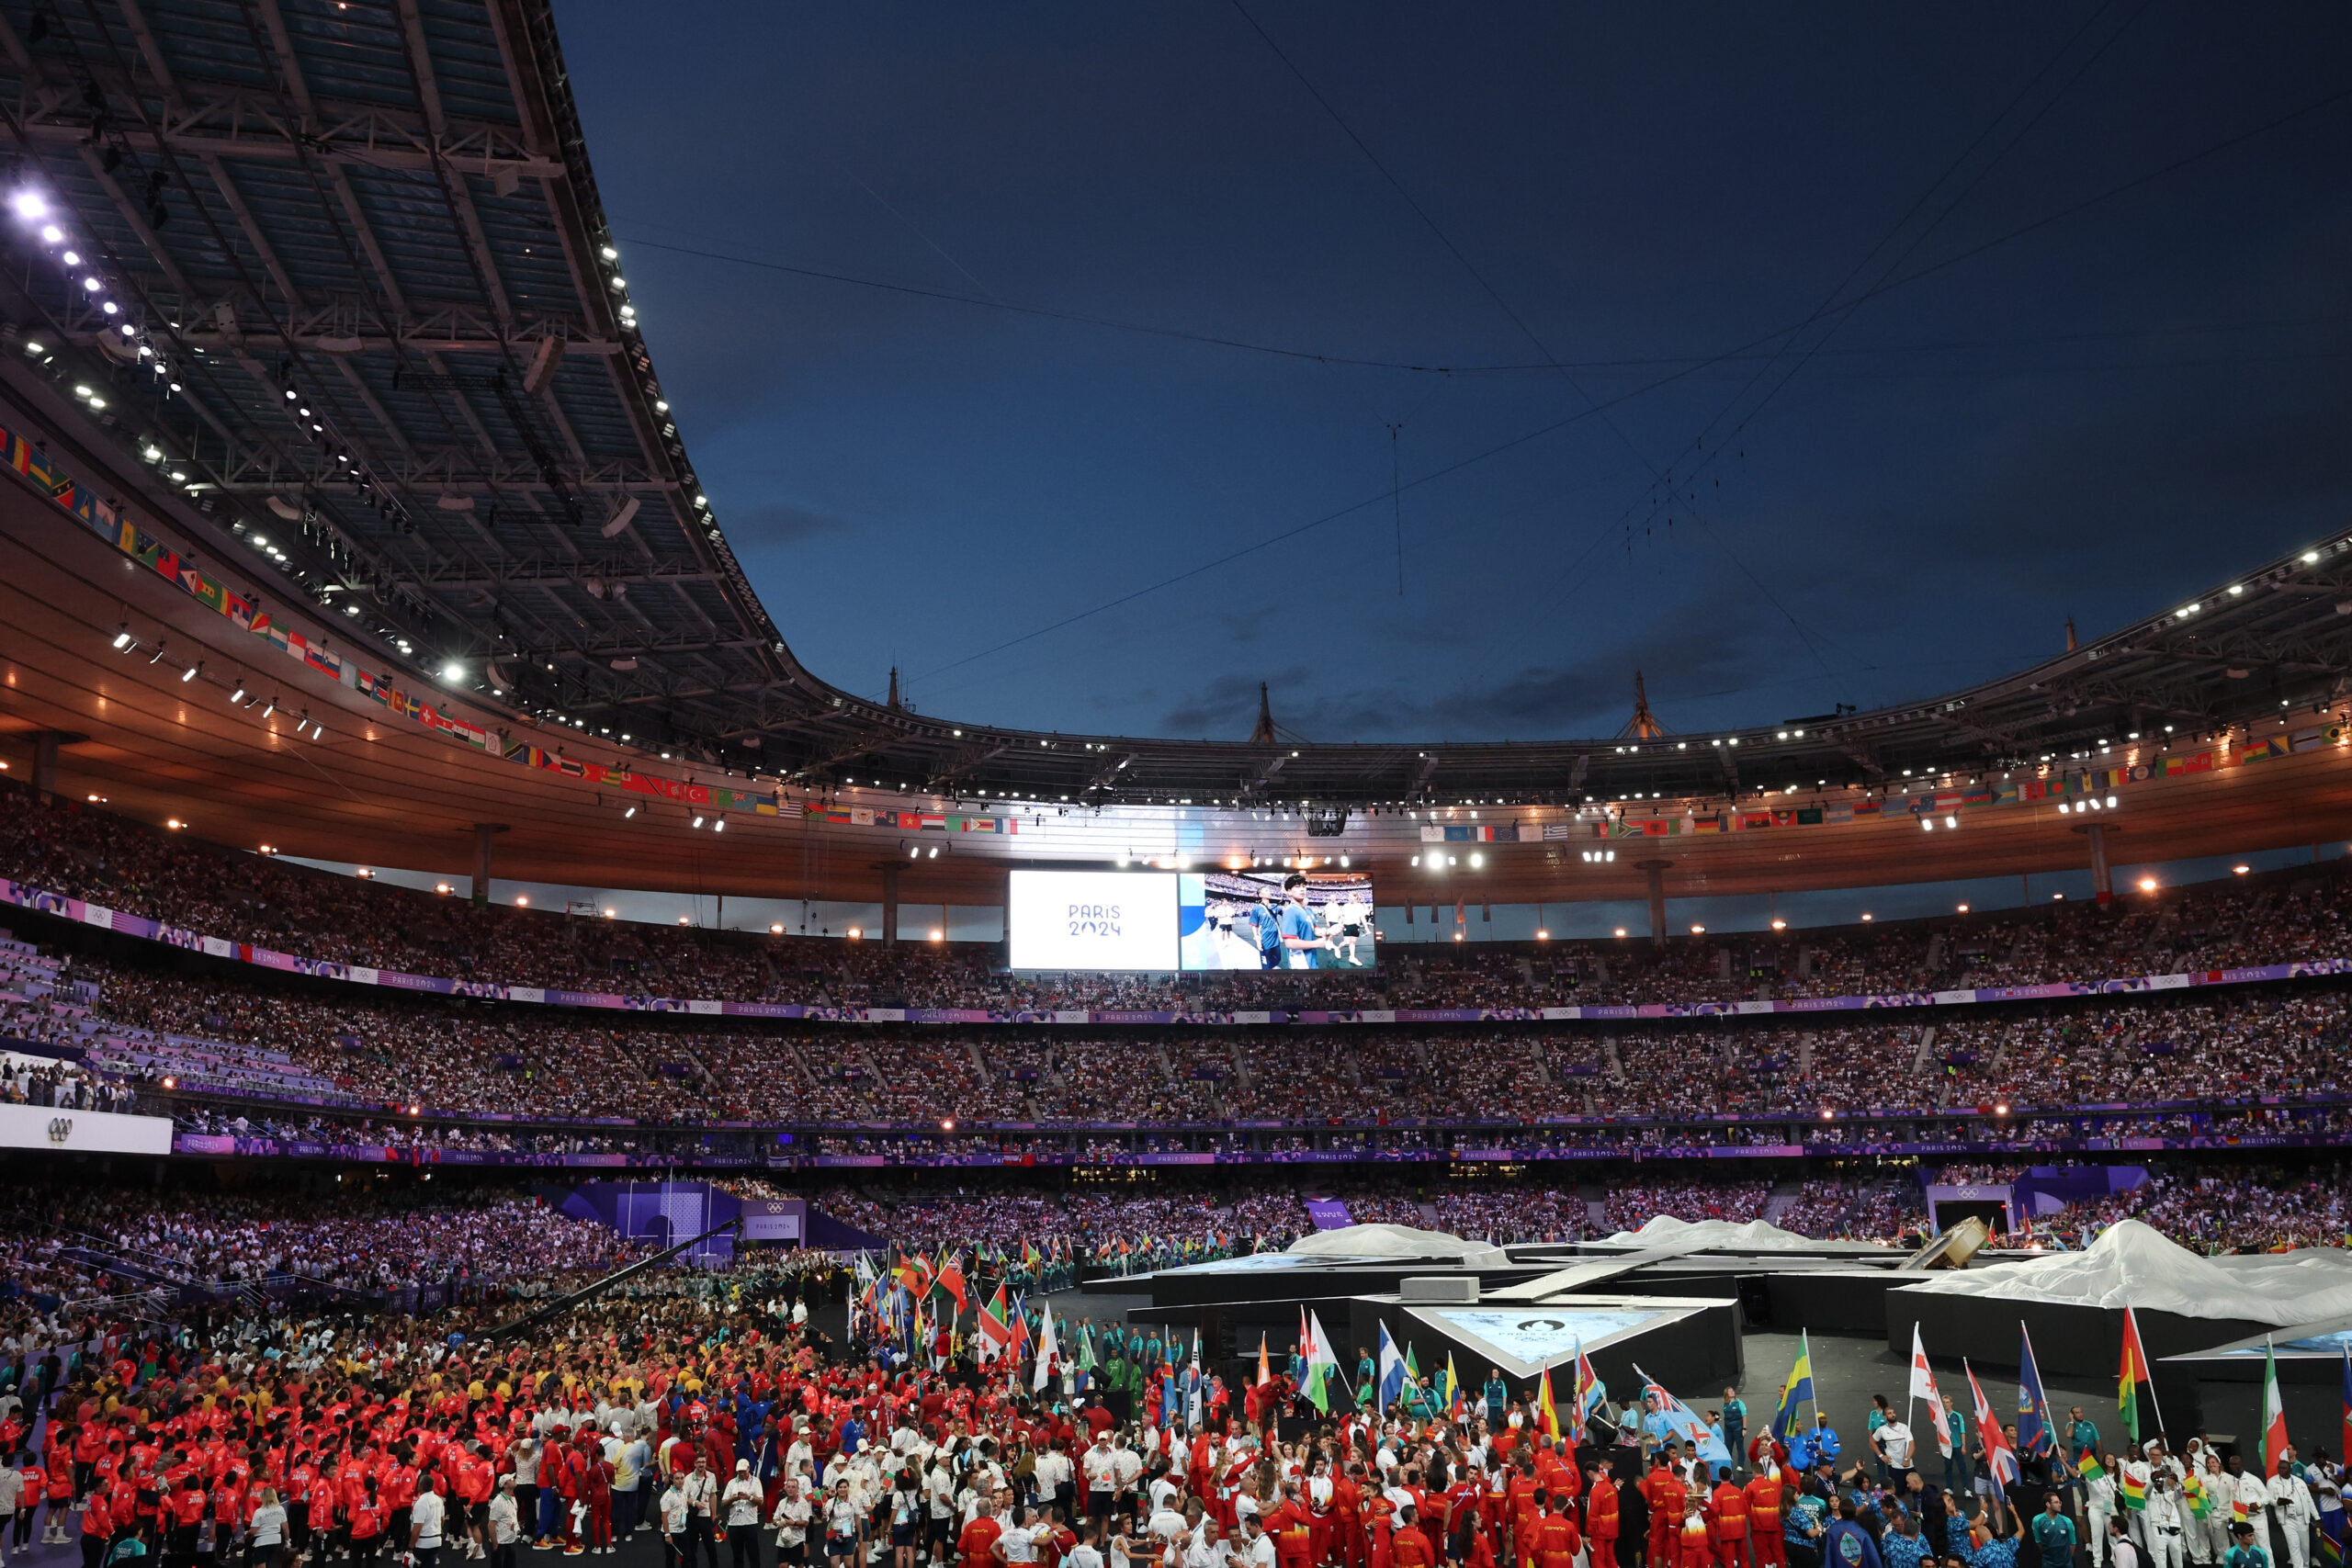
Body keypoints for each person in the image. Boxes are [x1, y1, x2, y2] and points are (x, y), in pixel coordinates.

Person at [723, 1461, 765, 1568]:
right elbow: (723, 1503)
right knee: (737, 1556)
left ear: (748, 1469)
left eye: (743, 1471)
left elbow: (760, 1501)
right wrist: (733, 1498)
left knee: (753, 1555)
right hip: (735, 1524)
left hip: (750, 1523)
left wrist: (749, 1497)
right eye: (739, 1472)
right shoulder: (732, 1483)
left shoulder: (756, 1482)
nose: (741, 1474)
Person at [413, 1474, 452, 1568]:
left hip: (423, 1543)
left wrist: (410, 1547)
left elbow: (417, 1527)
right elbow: (442, 1519)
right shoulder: (439, 1500)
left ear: (421, 1486)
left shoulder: (420, 1503)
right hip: (436, 1541)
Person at [2030, 1495, 2076, 1568]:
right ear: (2048, 1504)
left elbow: (2073, 1543)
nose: (2059, 1505)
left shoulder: (2067, 1521)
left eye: (2060, 1502)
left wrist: (2066, 1558)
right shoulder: (2037, 1520)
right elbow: (2038, 1541)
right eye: (2056, 1502)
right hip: (2048, 1564)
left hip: (2066, 1564)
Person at [492, 1477, 523, 1568]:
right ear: (505, 1485)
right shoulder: (498, 1502)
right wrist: (495, 1544)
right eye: (511, 1479)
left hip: (511, 1539)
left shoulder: (513, 1498)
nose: (514, 1480)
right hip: (500, 1541)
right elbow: (491, 1525)